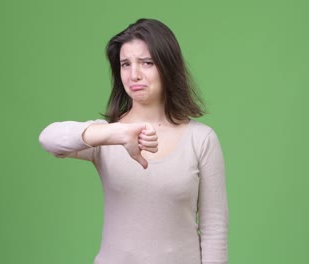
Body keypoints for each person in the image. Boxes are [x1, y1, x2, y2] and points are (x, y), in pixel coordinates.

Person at [39, 18, 228, 264]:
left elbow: (215, 230)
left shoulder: (201, 139)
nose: (134, 74)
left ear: (168, 67)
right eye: (125, 64)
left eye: (146, 63)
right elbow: (49, 139)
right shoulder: (106, 137)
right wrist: (115, 133)